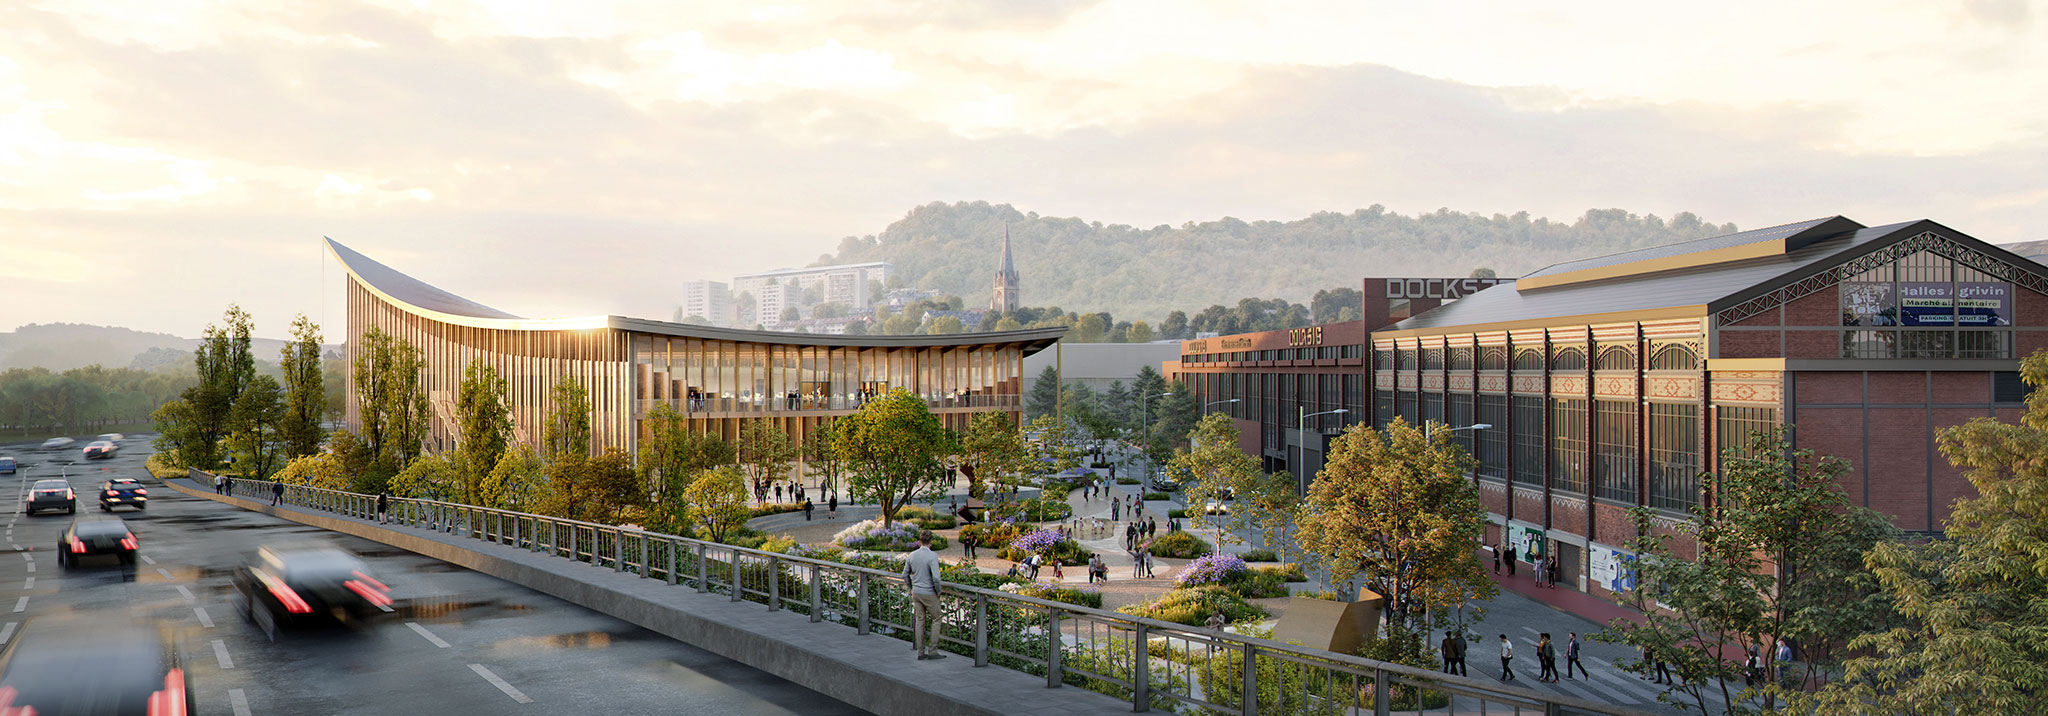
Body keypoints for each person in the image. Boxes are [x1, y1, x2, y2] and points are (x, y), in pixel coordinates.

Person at [902, 533, 946, 660]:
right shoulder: (932, 556)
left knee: (920, 620)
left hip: (916, 592)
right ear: (931, 541)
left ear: (920, 541)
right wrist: (938, 591)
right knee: (937, 618)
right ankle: (933, 651)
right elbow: (936, 578)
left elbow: (905, 574)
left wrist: (911, 587)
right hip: (929, 592)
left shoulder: (912, 555)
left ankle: (920, 652)